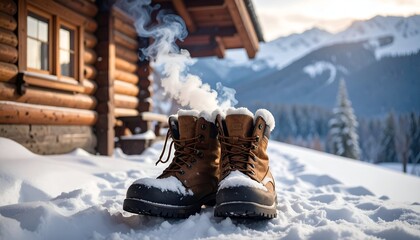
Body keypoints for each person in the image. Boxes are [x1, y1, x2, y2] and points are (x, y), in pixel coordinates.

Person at [123, 107, 277, 219]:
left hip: (255, 180)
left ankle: (249, 177)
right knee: (232, 190)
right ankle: (205, 182)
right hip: (205, 179)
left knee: (233, 189)